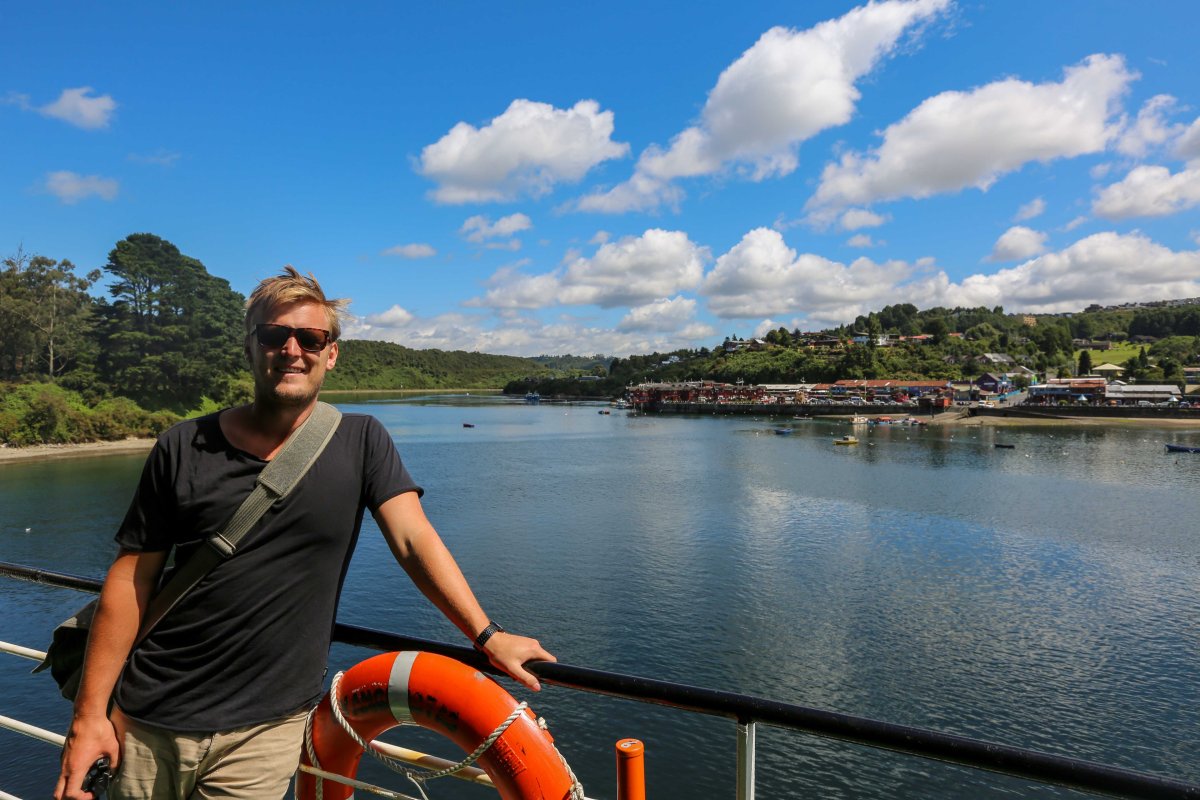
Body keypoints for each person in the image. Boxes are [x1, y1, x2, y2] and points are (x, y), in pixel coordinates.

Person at [54, 267, 555, 799]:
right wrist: (89, 717)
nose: (292, 350)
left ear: (331, 353)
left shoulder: (361, 441)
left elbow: (414, 541)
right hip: (146, 719)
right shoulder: (182, 446)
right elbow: (131, 580)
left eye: (311, 338)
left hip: (262, 734)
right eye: (274, 335)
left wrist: (486, 634)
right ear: (250, 347)